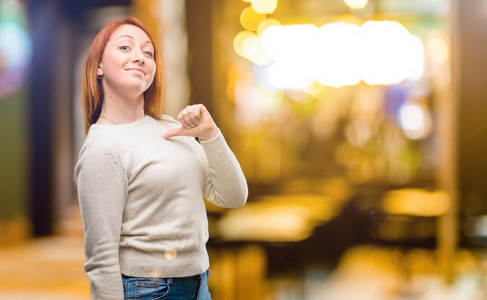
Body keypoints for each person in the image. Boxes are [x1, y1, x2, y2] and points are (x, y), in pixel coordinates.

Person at [74, 16, 248, 300]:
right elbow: (101, 259)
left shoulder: (173, 129)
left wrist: (210, 135)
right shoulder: (101, 149)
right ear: (99, 66)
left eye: (148, 52)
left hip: (200, 285)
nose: (139, 57)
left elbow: (234, 196)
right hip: (149, 290)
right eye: (125, 48)